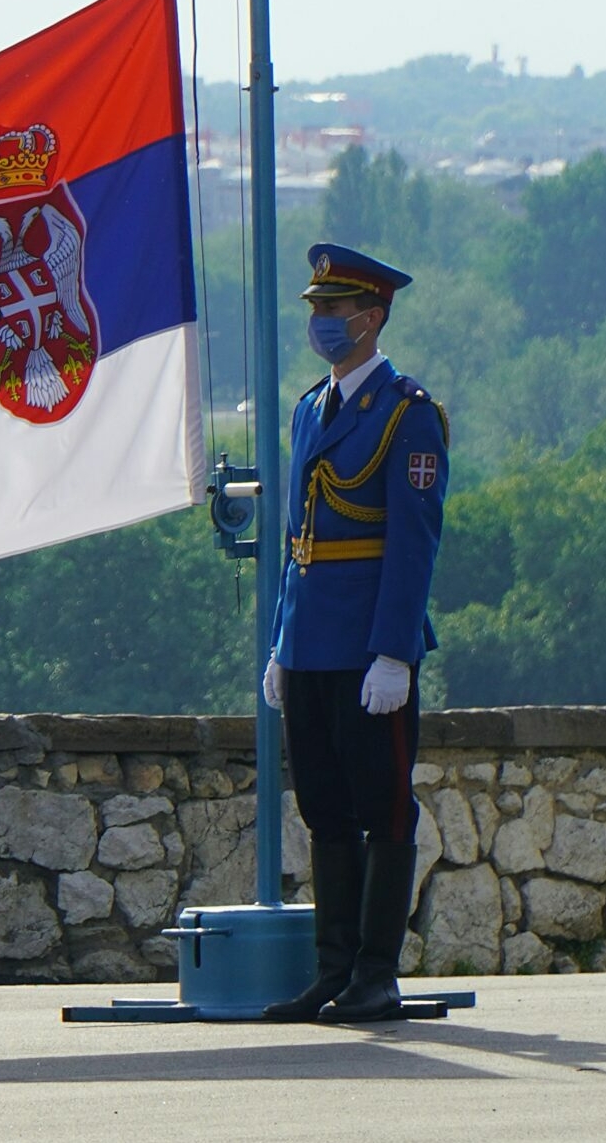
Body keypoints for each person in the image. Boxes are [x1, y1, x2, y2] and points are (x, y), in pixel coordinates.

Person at [261, 243, 448, 1025]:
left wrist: (394, 652)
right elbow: (296, 539)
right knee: (325, 811)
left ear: (371, 318)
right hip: (311, 642)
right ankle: (332, 972)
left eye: (334, 310)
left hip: (369, 645)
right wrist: (282, 642)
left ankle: (377, 975)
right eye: (316, 310)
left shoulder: (408, 414)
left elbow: (413, 543)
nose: (321, 322)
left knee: (385, 809)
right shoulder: (311, 408)